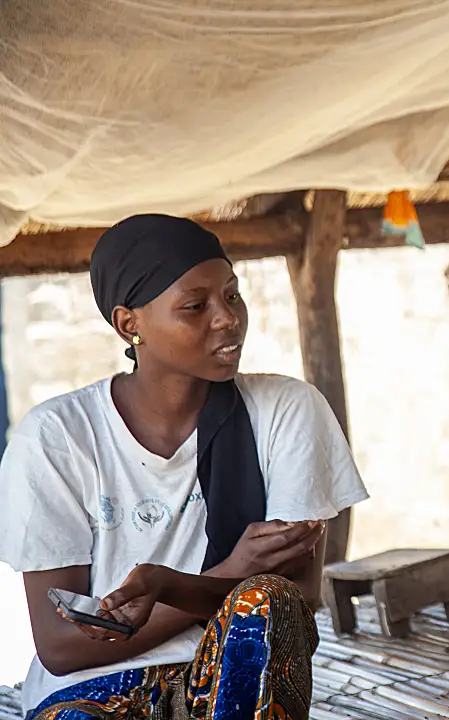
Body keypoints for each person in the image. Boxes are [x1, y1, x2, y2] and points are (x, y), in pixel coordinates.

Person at [0, 214, 369, 719]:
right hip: (93, 688)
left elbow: (292, 601)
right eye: (195, 306)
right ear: (130, 324)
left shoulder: (286, 410)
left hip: (235, 681)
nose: (227, 318)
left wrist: (173, 586)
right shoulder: (58, 437)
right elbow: (62, 647)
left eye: (233, 296)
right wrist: (230, 574)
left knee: (265, 599)